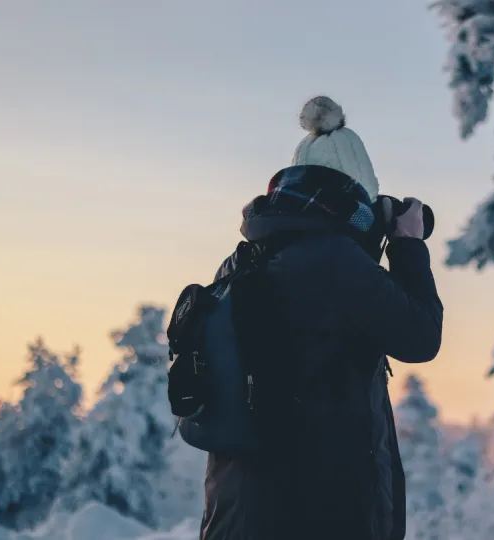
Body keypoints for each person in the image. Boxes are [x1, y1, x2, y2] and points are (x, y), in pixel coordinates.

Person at [199, 96, 444, 540]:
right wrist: (406, 242)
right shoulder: (335, 262)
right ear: (356, 197)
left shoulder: (242, 260)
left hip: (237, 511)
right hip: (320, 512)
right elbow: (421, 337)